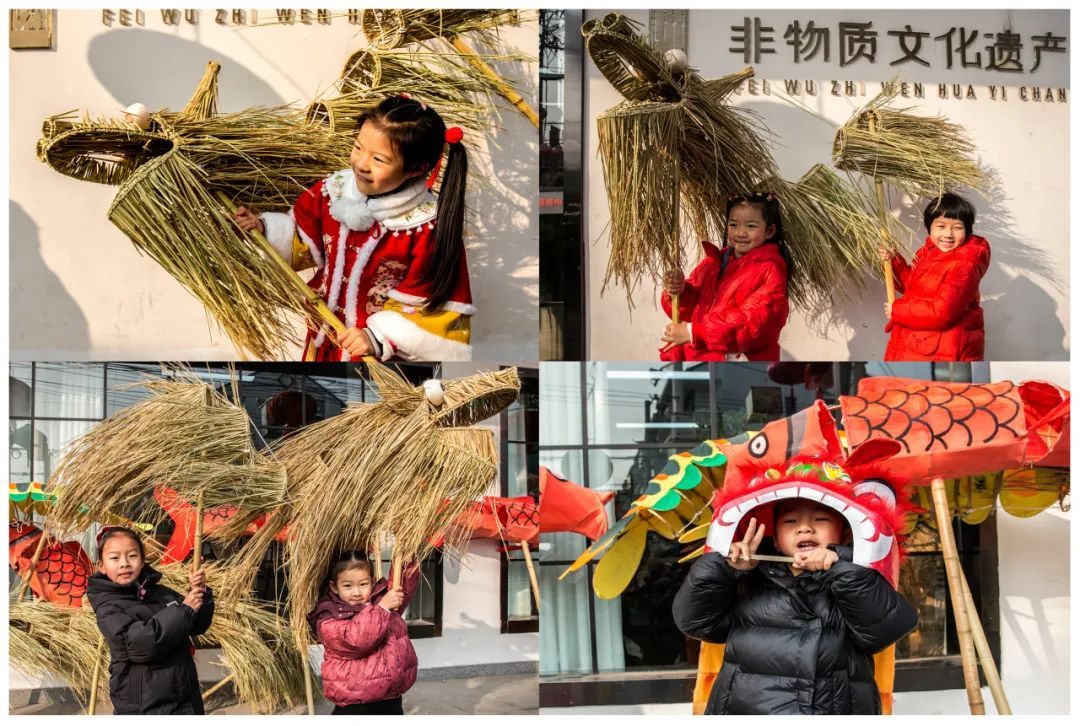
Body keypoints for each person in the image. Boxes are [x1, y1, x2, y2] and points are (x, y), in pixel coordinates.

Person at [234, 95, 474, 362]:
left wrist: (376, 337)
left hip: (378, 355)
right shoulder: (334, 190)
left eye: (379, 160)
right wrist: (264, 229)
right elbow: (303, 239)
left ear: (416, 169)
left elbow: (430, 305)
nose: (361, 163)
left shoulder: (428, 227)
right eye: (358, 147)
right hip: (325, 338)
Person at [672, 501, 918, 715]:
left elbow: (887, 629)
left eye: (820, 519)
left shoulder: (856, 578)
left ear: (845, 534)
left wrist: (841, 569)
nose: (805, 528)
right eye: (790, 521)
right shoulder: (747, 581)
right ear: (776, 541)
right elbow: (694, 622)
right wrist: (723, 568)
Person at [86, 526, 214, 715]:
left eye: (132, 556)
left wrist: (199, 591)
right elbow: (140, 644)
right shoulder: (108, 607)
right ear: (102, 566)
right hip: (145, 707)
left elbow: (197, 625)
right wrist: (185, 610)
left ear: (142, 560)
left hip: (186, 700)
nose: (124, 564)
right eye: (114, 558)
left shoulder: (161, 594)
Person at [660, 192, 790, 361]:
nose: (740, 233)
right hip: (699, 358)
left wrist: (695, 332)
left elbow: (754, 325)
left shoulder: (770, 269)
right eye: (733, 224)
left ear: (770, 231)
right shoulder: (712, 263)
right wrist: (680, 291)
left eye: (751, 226)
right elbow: (692, 309)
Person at [308, 552, 420, 715]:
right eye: (348, 586)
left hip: (391, 697)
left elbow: (402, 586)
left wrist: (407, 559)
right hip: (355, 702)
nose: (356, 592)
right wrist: (382, 608)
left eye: (363, 584)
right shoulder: (328, 617)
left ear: (372, 582)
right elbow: (357, 640)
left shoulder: (380, 600)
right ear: (334, 587)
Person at [883, 192, 990, 360]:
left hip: (941, 351)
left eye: (957, 227)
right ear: (929, 227)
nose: (948, 234)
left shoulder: (964, 265)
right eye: (941, 226)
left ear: (967, 230)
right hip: (917, 344)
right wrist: (894, 261)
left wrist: (897, 310)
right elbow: (911, 287)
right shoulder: (926, 253)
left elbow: (943, 313)